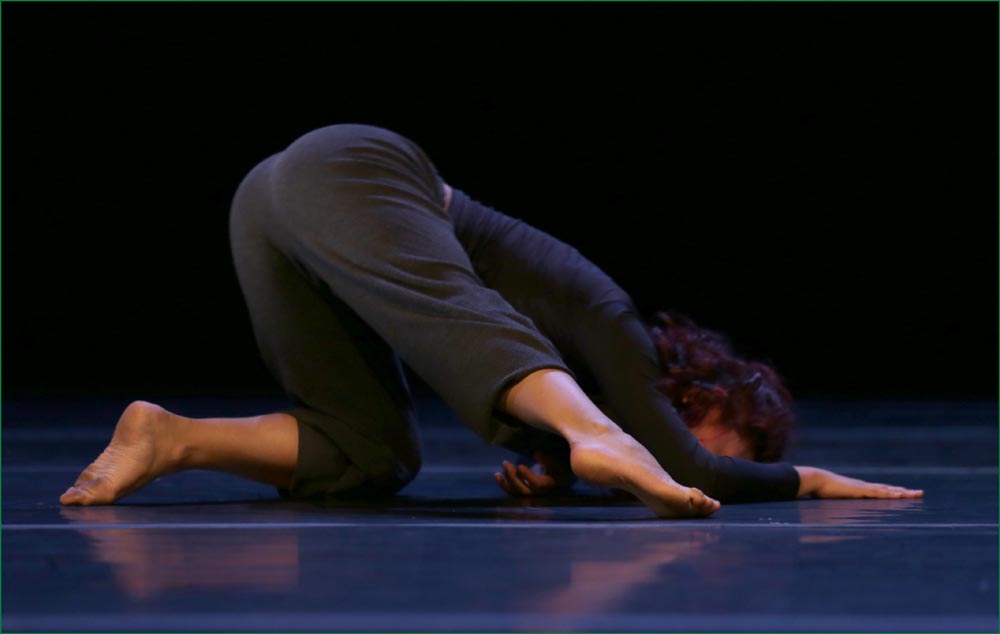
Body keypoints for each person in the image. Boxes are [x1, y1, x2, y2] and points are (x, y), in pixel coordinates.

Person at [59, 124, 922, 517]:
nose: (690, 464)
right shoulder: (613, 325)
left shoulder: (561, 398)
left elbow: (688, 464)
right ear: (702, 392)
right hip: (358, 167)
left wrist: (554, 474)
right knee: (462, 307)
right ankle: (597, 438)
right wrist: (810, 481)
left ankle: (172, 439)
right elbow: (697, 467)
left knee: (369, 455)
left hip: (275, 209)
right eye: (705, 442)